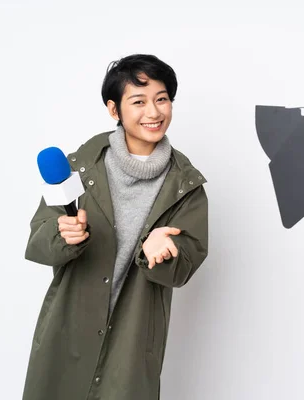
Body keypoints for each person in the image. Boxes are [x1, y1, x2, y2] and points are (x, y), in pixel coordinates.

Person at [22, 54, 209, 400]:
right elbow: (38, 238)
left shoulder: (186, 186)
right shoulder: (77, 167)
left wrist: (162, 253)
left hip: (134, 339)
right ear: (114, 109)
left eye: (162, 99)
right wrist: (62, 235)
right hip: (68, 330)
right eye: (138, 101)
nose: (153, 112)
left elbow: (184, 266)